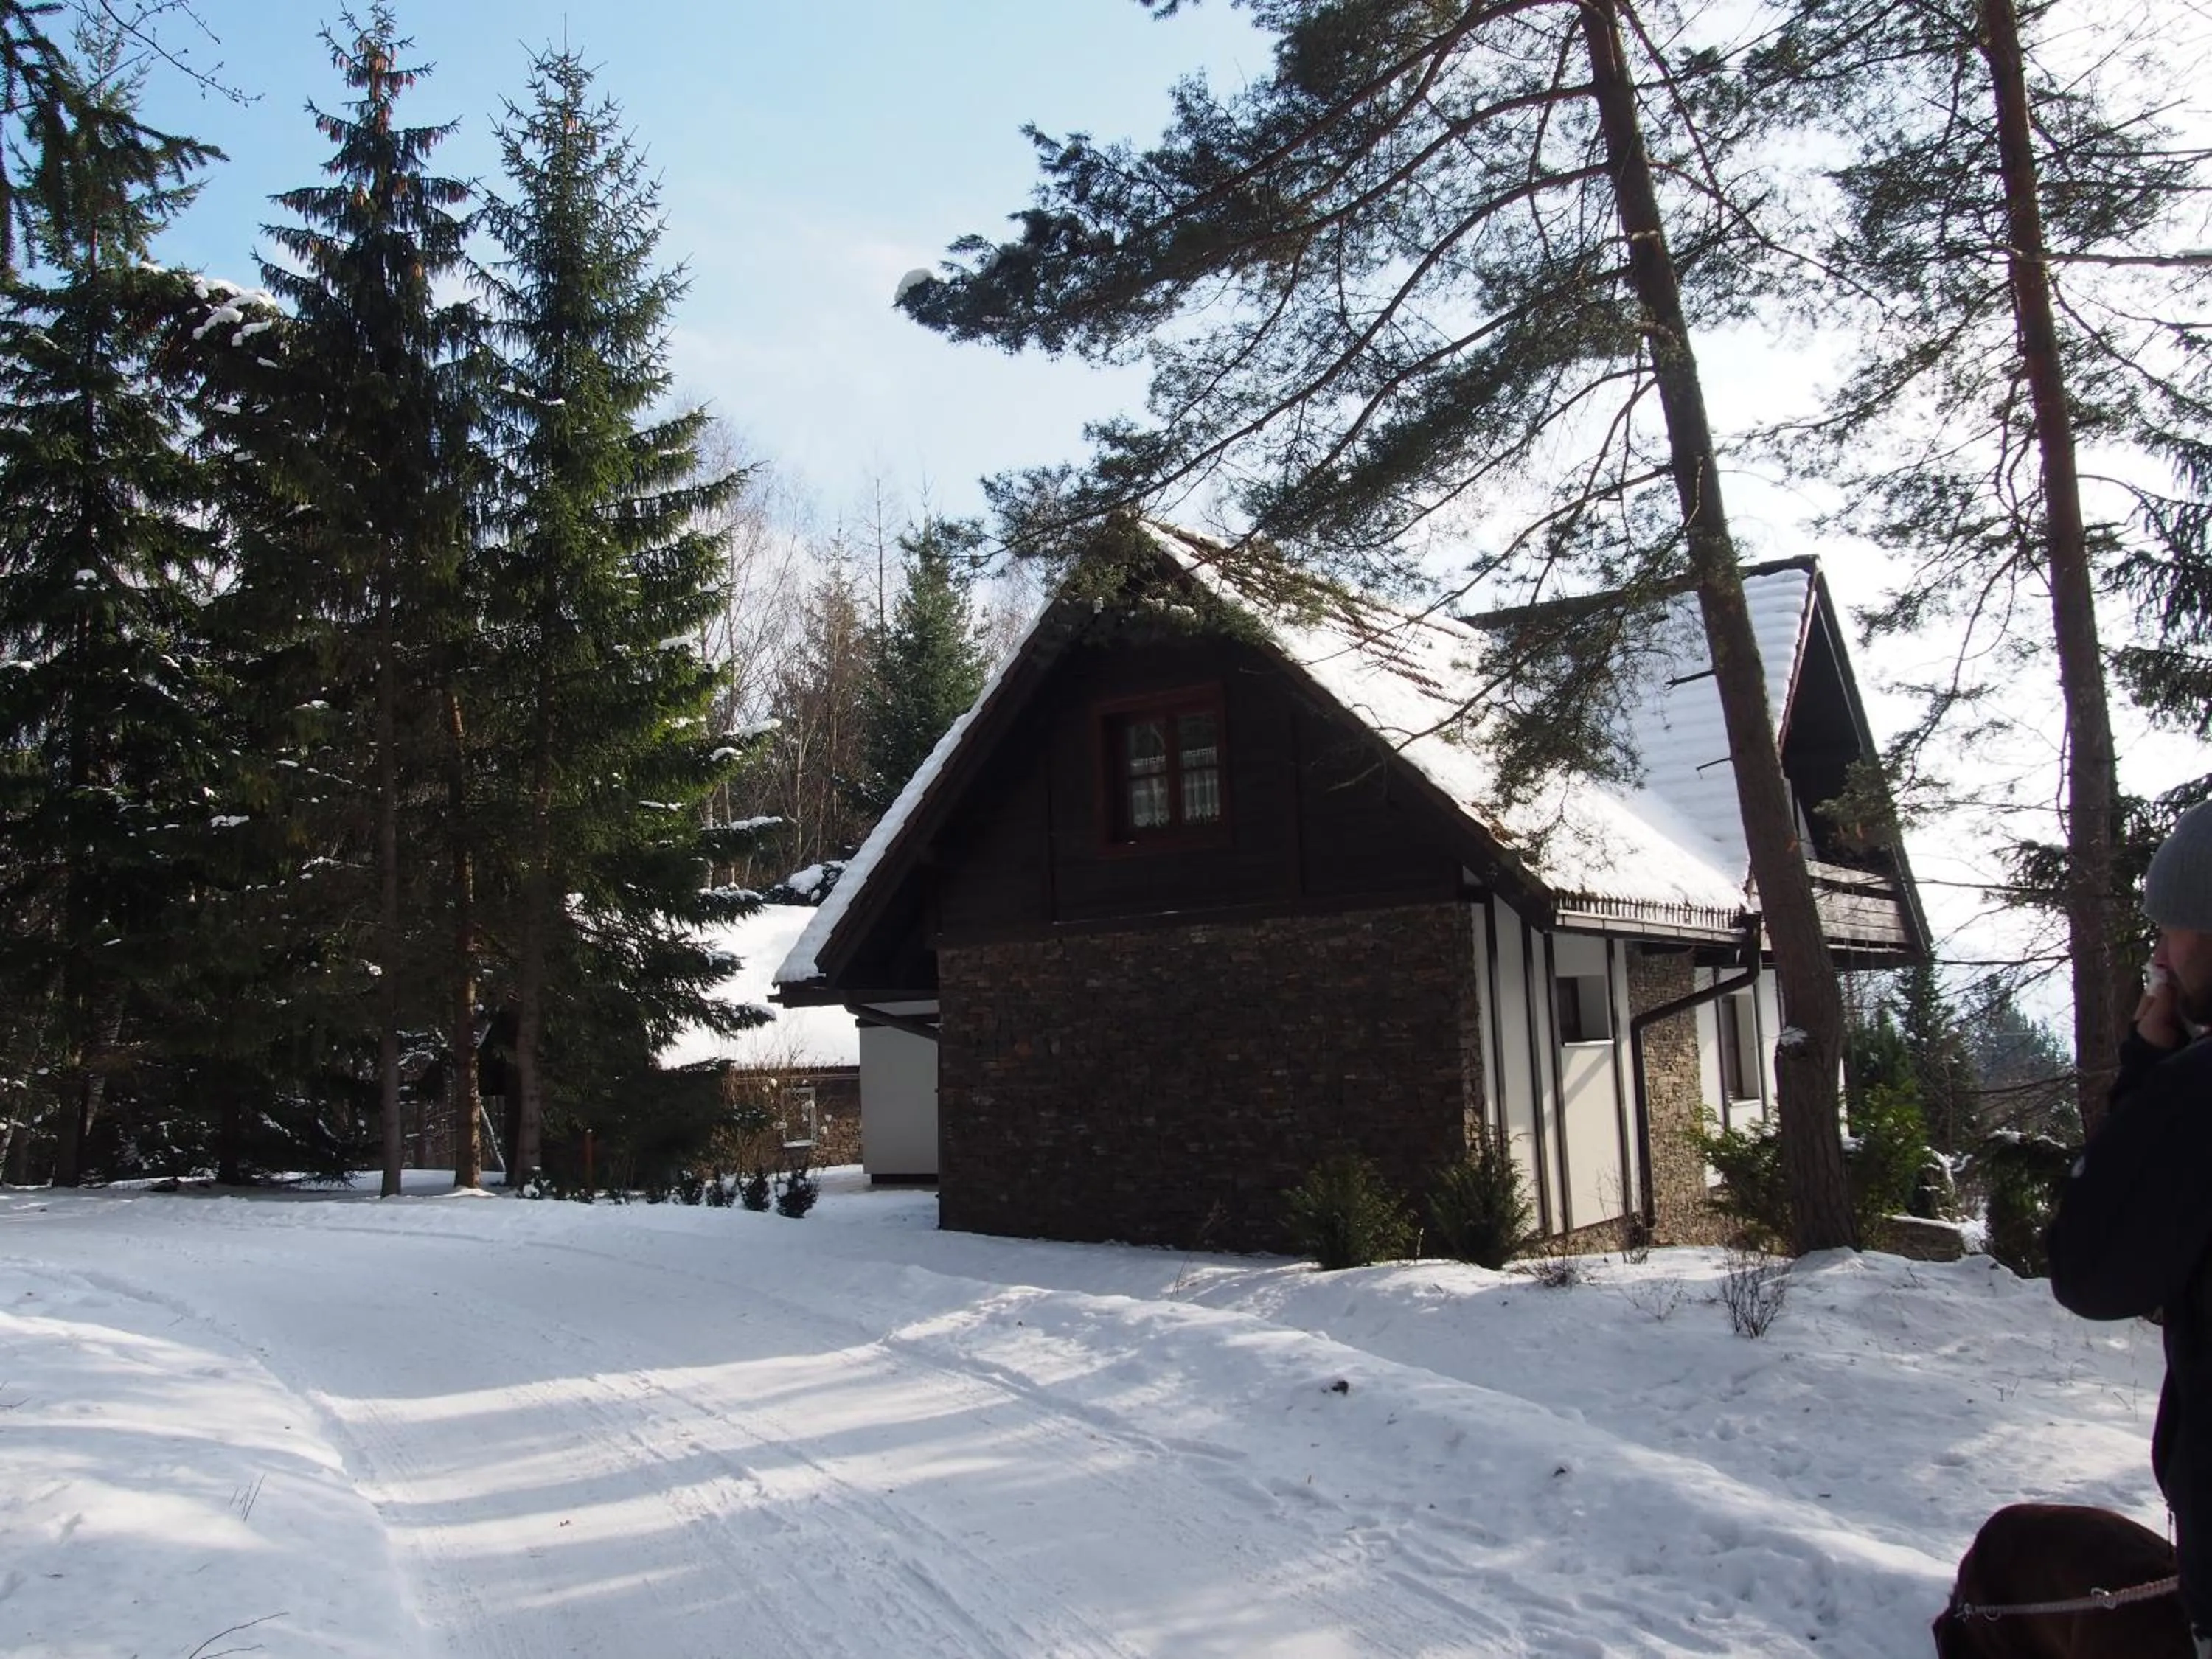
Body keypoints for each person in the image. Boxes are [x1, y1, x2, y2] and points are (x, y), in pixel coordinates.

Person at [2048, 798, 2212, 1656]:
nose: (2162, 956)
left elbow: (2094, 1265)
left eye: (2173, 930)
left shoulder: (2197, 1097)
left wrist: (2150, 1071)